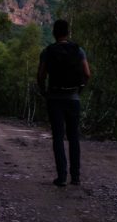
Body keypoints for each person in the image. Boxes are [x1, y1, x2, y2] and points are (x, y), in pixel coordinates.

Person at [37, 19, 90, 187]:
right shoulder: (78, 50)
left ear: (54, 33)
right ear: (68, 33)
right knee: (74, 138)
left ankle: (61, 177)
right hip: (73, 99)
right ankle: (76, 177)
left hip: (55, 99)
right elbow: (87, 74)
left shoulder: (48, 51)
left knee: (58, 138)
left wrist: (44, 91)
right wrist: (79, 89)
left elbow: (41, 75)